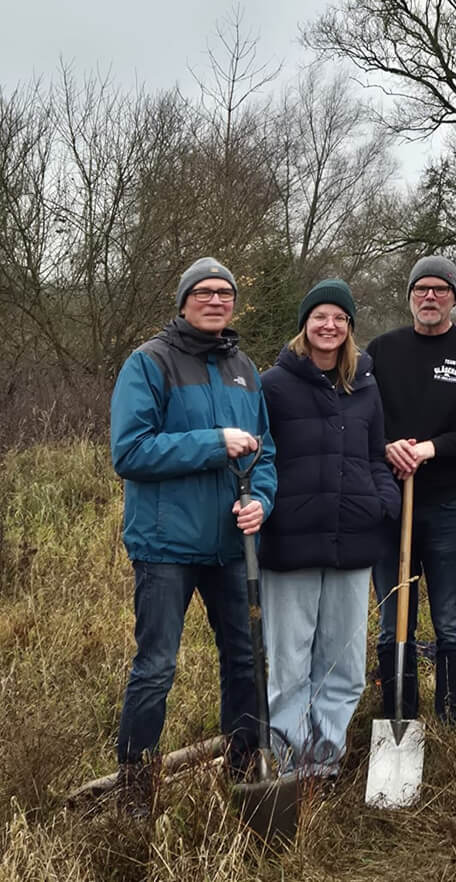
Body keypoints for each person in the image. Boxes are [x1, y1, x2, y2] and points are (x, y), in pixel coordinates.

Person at [110, 257, 276, 814]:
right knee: (155, 666)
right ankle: (134, 792)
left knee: (248, 659)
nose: (214, 301)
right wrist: (213, 441)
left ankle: (245, 775)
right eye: (203, 293)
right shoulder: (148, 363)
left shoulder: (245, 370)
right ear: (183, 302)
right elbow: (129, 452)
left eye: (224, 294)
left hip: (233, 546)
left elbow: (264, 452)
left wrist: (262, 500)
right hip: (166, 547)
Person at [258, 280, 400, 775]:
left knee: (343, 663)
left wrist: (384, 501)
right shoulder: (272, 384)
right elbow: (261, 458)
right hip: (289, 541)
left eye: (340, 318)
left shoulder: (364, 384)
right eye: (320, 316)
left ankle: (326, 760)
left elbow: (374, 451)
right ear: (304, 324)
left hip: (353, 538)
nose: (330, 325)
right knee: (290, 662)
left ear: (350, 328)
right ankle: (288, 762)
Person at [368, 255, 456, 729]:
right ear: (409, 296)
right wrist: (386, 447)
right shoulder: (381, 351)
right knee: (393, 621)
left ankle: (453, 721)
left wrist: (430, 448)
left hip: (449, 505)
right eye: (421, 289)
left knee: (451, 619)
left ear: (453, 298)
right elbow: (362, 418)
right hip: (390, 505)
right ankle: (398, 718)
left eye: (440, 289)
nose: (430, 296)